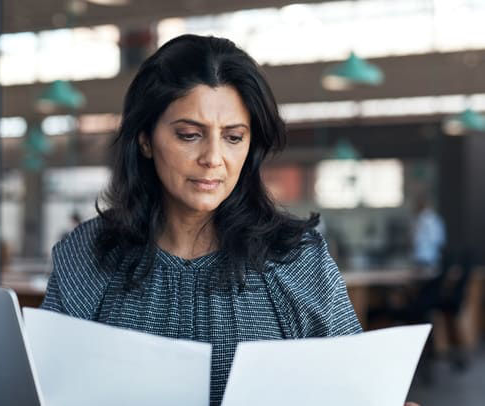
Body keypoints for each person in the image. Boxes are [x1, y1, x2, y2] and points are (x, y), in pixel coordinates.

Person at [40, 34, 417, 406]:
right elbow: (42, 388)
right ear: (145, 139)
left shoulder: (297, 261)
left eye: (234, 137)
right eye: (189, 135)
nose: (213, 158)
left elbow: (355, 389)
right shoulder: (88, 256)